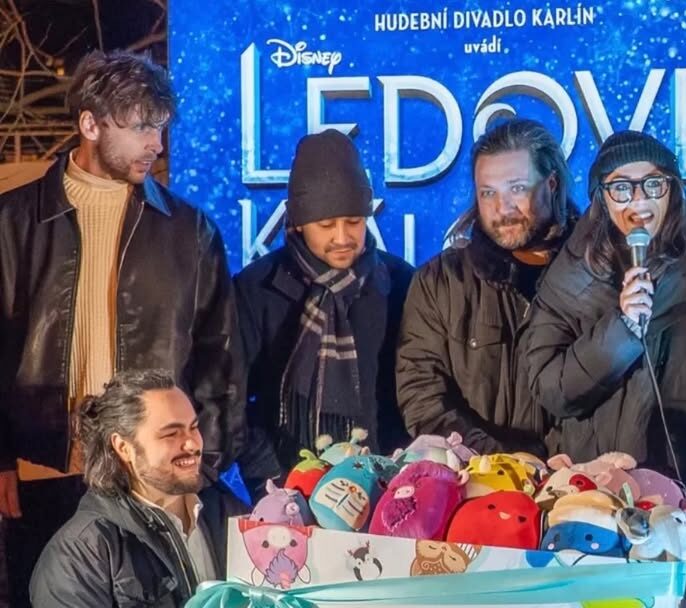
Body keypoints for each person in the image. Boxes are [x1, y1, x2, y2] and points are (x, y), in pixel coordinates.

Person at [0, 50, 244, 606]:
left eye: (160, 128)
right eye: (140, 128)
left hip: (150, 476)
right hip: (42, 470)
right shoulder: (12, 222)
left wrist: (201, 465)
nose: (156, 144)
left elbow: (222, 360)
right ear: (90, 124)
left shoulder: (190, 231)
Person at [522, 130, 686, 512]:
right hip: (587, 494)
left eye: (653, 184)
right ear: (601, 197)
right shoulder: (568, 276)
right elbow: (551, 391)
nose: (639, 201)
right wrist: (620, 332)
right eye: (621, 188)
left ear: (672, 190)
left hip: (679, 500)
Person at [234, 129, 413, 497]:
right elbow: (231, 399)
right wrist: (271, 479)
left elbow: (417, 389)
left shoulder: (400, 283)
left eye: (354, 221)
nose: (343, 237)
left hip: (384, 487)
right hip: (285, 488)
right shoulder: (257, 288)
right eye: (326, 225)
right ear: (299, 222)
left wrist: (401, 473)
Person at [396, 118, 578, 455]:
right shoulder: (440, 282)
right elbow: (423, 396)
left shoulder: (596, 275)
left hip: (579, 478)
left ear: (552, 184)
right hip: (476, 478)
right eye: (488, 193)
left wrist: (562, 466)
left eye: (517, 188)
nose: (502, 208)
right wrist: (503, 464)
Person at [30, 369, 232, 607]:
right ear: (123, 447)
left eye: (194, 427)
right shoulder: (81, 553)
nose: (192, 444)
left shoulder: (228, 513)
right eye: (171, 434)